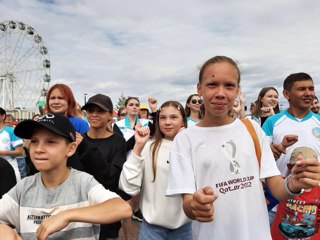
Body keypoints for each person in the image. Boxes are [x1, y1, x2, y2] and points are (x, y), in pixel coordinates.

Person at [166, 56, 320, 240]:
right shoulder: (185, 139)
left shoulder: (252, 129)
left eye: (229, 86)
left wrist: (293, 183)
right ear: (199, 88)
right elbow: (188, 204)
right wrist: (197, 206)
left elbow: (276, 186)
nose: (221, 93)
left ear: (238, 90)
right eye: (212, 84)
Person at [0, 113, 132, 239]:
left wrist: (67, 216)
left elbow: (122, 208)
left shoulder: (84, 183)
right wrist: (5, 230)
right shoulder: (23, 188)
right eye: (34, 141)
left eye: (50, 142)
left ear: (70, 149)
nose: (39, 149)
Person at [120, 101, 192, 240]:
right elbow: (129, 186)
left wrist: (183, 142)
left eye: (173, 117)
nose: (167, 122)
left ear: (183, 120)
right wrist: (138, 147)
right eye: (163, 117)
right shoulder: (148, 147)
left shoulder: (191, 148)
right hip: (152, 229)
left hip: (185, 228)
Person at [262, 72, 320, 230]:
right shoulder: (272, 122)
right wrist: (273, 151)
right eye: (302, 89)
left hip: (312, 205)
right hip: (277, 204)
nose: (308, 93)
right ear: (287, 94)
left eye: (311, 88)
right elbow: (261, 159)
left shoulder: (318, 121)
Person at [78, 94, 128, 240]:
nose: (94, 114)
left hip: (107, 207)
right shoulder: (79, 140)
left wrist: (87, 149)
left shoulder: (118, 142)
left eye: (100, 111)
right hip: (82, 206)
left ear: (110, 116)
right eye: (90, 110)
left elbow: (112, 177)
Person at [0, 107, 24, 181]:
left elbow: (20, 152)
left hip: (9, 165)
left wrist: (2, 153)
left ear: (3, 116)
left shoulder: (12, 131)